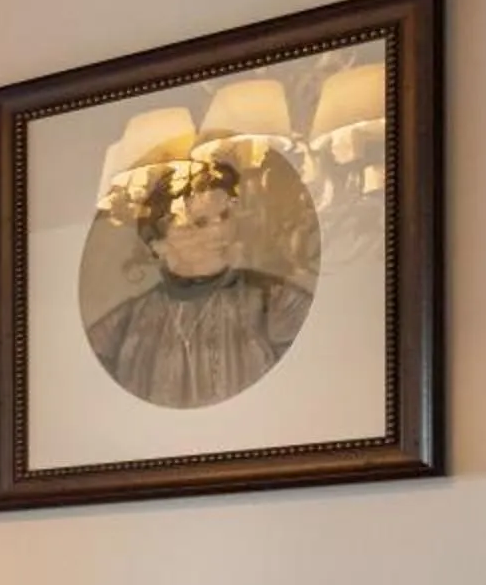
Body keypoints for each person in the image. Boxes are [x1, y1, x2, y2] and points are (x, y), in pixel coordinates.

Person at [85, 156, 314, 408]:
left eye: (225, 215)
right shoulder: (125, 324)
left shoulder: (274, 302)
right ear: (158, 244)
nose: (220, 232)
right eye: (199, 223)